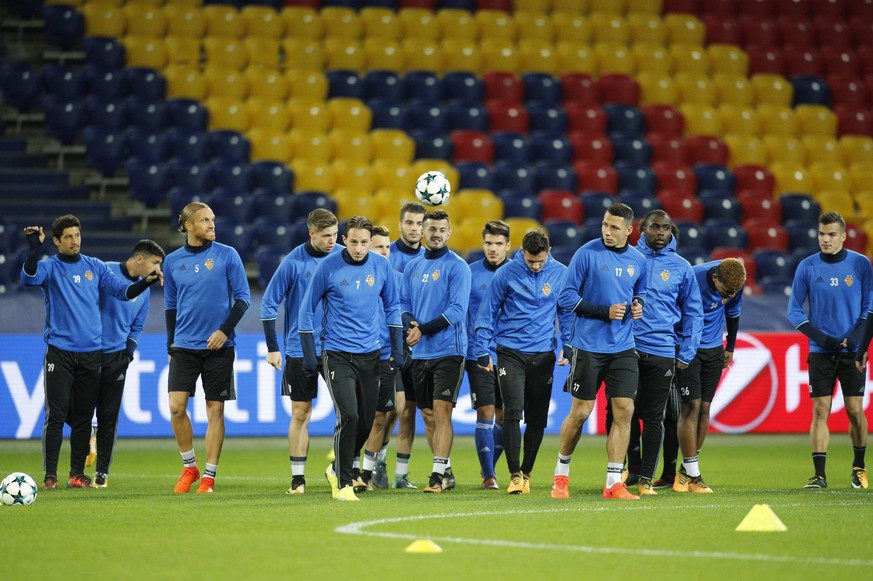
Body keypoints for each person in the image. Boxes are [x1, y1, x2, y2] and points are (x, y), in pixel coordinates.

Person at [20, 215, 161, 489]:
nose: (75, 241)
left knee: (84, 418)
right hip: (59, 351)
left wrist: (147, 282)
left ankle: (76, 474)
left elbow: (123, 291)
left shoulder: (94, 267)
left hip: (91, 353)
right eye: (68, 237)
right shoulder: (50, 266)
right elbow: (29, 278)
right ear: (57, 240)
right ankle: (50, 475)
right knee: (57, 415)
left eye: (77, 235)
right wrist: (33, 250)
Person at [299, 216, 403, 501]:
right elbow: (306, 309)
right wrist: (310, 354)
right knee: (349, 415)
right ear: (344, 239)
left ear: (372, 243)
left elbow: (393, 307)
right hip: (336, 353)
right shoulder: (328, 266)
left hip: (371, 354)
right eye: (353, 241)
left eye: (364, 242)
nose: (358, 248)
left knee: (367, 422)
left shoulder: (382, 266)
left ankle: (335, 468)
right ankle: (343, 482)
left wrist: (397, 347)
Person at [551, 203, 647, 500]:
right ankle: (561, 476)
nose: (607, 231)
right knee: (580, 412)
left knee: (625, 410)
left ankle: (613, 482)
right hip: (588, 346)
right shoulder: (587, 254)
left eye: (615, 227)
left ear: (629, 230)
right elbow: (565, 297)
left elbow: (639, 291)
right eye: (605, 225)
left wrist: (638, 305)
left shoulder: (639, 260)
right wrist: (604, 311)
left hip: (623, 347)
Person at [474, 229, 573, 494]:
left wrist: (569, 345)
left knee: (538, 419)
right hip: (510, 352)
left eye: (540, 261)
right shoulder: (506, 273)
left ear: (549, 251)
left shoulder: (561, 273)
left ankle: (527, 472)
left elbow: (567, 313)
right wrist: (482, 348)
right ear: (522, 252)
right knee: (512, 412)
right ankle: (515, 475)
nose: (536, 266)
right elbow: (487, 311)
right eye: (531, 261)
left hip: (543, 355)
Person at [164, 202, 251, 494]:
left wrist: (224, 331)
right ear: (188, 225)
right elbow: (170, 306)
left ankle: (209, 477)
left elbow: (243, 299)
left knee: (215, 410)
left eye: (213, 219)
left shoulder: (228, 255)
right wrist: (170, 342)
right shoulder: (173, 261)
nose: (212, 225)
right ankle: (189, 467)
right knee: (176, 408)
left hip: (220, 348)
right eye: (205, 220)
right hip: (184, 347)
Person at [788, 212, 871, 489]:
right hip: (821, 351)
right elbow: (793, 311)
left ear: (843, 236)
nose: (826, 239)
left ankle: (859, 468)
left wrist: (856, 338)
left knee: (854, 411)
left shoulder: (861, 264)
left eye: (832, 234)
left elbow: (869, 306)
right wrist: (823, 339)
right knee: (820, 410)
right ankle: (819, 475)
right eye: (822, 234)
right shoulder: (807, 266)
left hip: (853, 351)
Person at [260, 208, 340, 495]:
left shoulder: (344, 256)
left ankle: (344, 471)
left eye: (335, 235)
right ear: (312, 234)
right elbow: (268, 305)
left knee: (348, 412)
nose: (333, 241)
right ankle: (298, 480)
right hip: (298, 348)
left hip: (338, 347)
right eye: (326, 236)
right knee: (300, 412)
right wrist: (273, 348)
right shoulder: (293, 262)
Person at [626, 210, 702, 495]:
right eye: (655, 227)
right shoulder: (628, 259)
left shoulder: (682, 267)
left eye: (666, 228)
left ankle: (646, 479)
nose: (660, 232)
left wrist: (686, 351)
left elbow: (693, 313)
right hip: (626, 348)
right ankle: (629, 470)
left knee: (655, 416)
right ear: (642, 230)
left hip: (661, 348)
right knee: (623, 412)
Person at [401, 209, 471, 493]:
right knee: (427, 414)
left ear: (449, 232)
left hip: (449, 351)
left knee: (442, 413)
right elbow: (403, 303)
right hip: (420, 353)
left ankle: (436, 475)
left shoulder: (458, 266)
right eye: (431, 229)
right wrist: (409, 324)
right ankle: (447, 470)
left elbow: (456, 311)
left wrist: (422, 329)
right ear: (422, 230)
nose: (436, 234)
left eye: (442, 229)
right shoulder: (412, 267)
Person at [90, 239, 166, 488]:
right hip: (87, 352)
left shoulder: (144, 291)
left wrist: (128, 353)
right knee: (75, 411)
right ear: (140, 260)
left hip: (116, 357)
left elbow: (137, 326)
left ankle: (101, 474)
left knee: (109, 418)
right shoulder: (104, 270)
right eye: (156, 263)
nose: (158, 269)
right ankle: (79, 461)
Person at [674, 257, 746, 493]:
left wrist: (730, 346)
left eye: (734, 291)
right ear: (715, 278)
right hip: (688, 349)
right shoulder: (691, 277)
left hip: (714, 349)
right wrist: (679, 346)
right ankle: (694, 475)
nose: (730, 295)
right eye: (727, 291)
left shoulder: (735, 281)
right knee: (690, 406)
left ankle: (686, 471)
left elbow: (733, 312)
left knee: (704, 408)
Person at [384, 201, 426, 489]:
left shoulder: (429, 259)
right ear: (400, 224)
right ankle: (372, 462)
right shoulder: (385, 253)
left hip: (420, 346)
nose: (414, 229)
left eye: (419, 224)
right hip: (388, 346)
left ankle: (400, 474)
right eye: (409, 223)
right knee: (387, 410)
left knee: (408, 410)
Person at [466, 220, 511, 490]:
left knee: (505, 416)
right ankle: (489, 476)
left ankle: (489, 467)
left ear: (508, 246)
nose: (492, 249)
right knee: (485, 412)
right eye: (488, 243)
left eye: (498, 244)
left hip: (509, 354)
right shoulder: (469, 273)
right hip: (478, 353)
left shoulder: (518, 272)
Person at [359, 225, 403, 489]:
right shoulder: (356, 276)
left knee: (380, 416)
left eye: (388, 247)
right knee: (354, 415)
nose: (385, 252)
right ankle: (345, 465)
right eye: (379, 247)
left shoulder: (395, 278)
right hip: (358, 353)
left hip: (385, 355)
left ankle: (365, 472)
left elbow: (399, 314)